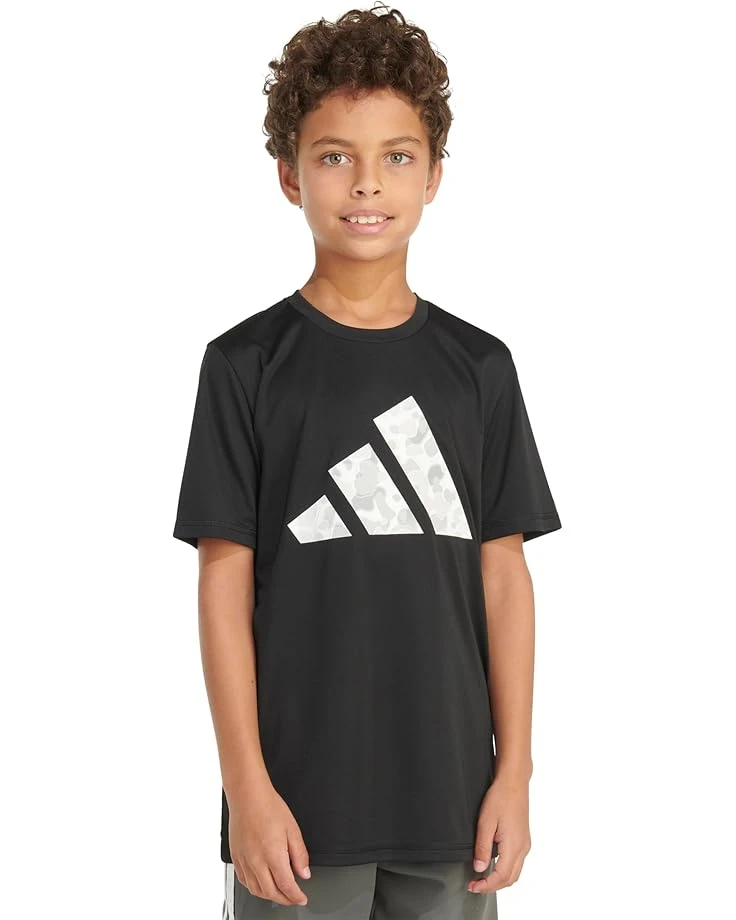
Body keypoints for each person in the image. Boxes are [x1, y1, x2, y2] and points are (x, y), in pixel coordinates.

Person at [172, 5, 562, 918]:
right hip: (298, 814)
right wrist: (247, 789)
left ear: (434, 176)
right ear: (288, 173)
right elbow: (223, 582)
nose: (366, 183)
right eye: (334, 155)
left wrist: (515, 773)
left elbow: (503, 578)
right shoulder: (244, 365)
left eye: (397, 155)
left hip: (454, 805)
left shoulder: (480, 368)